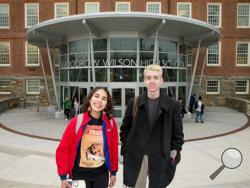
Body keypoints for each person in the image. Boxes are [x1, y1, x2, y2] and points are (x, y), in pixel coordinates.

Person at [120, 64, 184, 188]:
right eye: (148, 78)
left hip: (161, 157)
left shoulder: (173, 105)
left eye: (156, 77)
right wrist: (126, 149)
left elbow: (178, 135)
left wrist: (174, 152)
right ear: (144, 81)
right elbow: (125, 129)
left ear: (161, 80)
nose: (152, 81)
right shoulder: (134, 103)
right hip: (137, 156)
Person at [56, 87, 118, 188]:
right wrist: (63, 176)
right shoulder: (77, 121)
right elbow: (63, 149)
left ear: (107, 103)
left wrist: (113, 172)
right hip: (79, 175)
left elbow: (113, 149)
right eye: (96, 96)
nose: (99, 100)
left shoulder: (110, 123)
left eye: (104, 98)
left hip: (101, 175)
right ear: (90, 99)